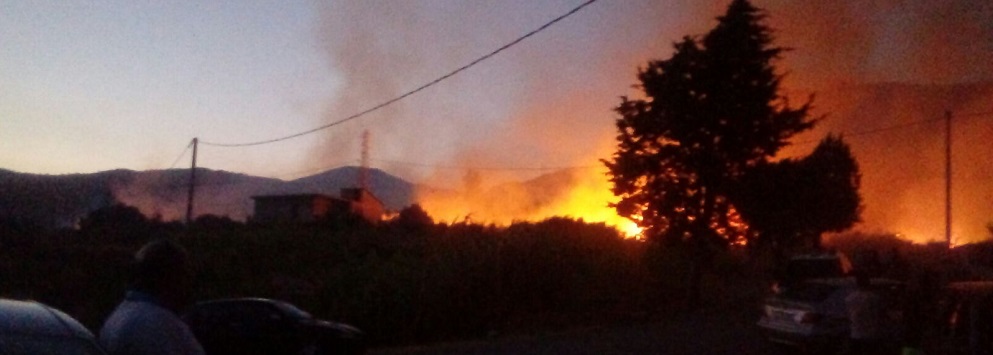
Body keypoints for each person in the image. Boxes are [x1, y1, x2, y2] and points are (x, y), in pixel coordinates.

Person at [99, 239, 205, 355]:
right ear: (170, 276)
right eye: (185, 274)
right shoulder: (158, 325)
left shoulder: (119, 316)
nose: (189, 283)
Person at [846, 271, 886, 355]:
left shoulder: (850, 298)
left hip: (856, 334)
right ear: (868, 283)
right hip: (872, 335)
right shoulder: (874, 298)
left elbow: (848, 315)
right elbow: (881, 314)